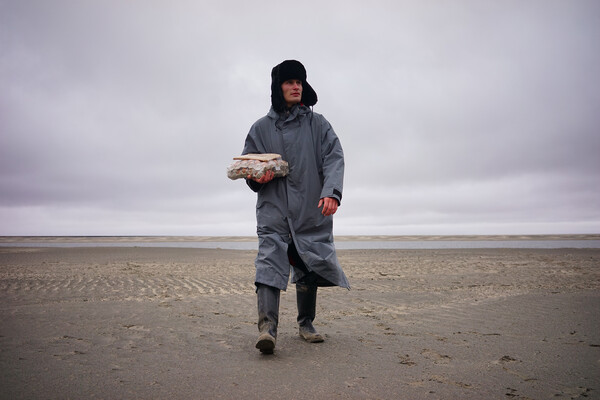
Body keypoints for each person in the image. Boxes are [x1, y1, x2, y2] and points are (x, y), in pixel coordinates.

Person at [240, 59, 349, 354]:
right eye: (289, 82)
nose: (296, 86)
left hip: (310, 208)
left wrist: (332, 193)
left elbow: (334, 157)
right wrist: (256, 177)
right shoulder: (260, 128)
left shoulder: (318, 124)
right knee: (268, 263)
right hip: (273, 210)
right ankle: (267, 330)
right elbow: (247, 164)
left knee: (307, 263)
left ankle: (306, 324)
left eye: (299, 82)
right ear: (278, 87)